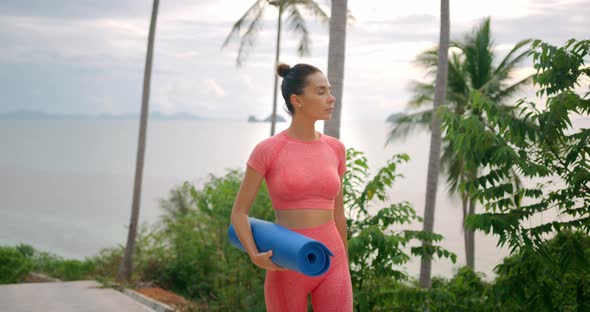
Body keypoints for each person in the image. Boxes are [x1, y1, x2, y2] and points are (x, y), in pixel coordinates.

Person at [230, 63, 353, 311]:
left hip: (333, 262)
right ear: (297, 100)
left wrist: (345, 265)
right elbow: (239, 213)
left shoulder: (336, 149)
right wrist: (255, 255)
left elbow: (338, 213)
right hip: (285, 262)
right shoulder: (268, 150)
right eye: (320, 92)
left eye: (329, 90)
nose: (331, 98)